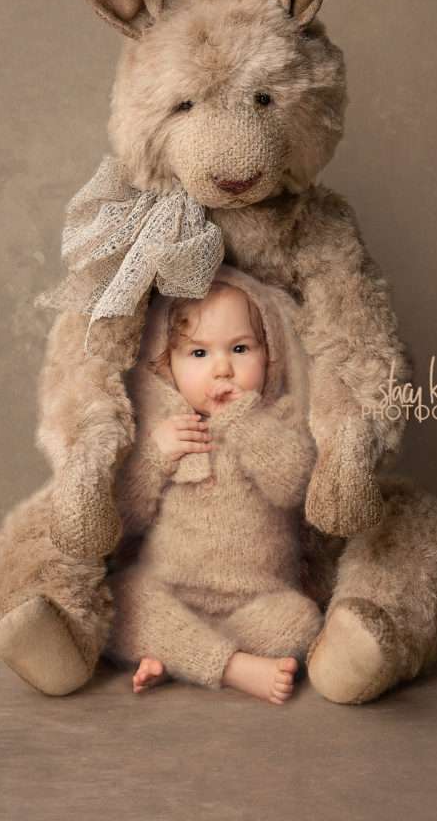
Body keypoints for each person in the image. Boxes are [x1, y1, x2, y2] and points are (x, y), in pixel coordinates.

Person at [102, 264, 323, 704]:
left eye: (240, 349)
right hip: (172, 590)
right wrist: (155, 456)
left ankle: (181, 656)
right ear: (168, 365)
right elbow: (124, 516)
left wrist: (245, 422)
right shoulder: (165, 428)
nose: (223, 369)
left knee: (302, 620)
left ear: (270, 355)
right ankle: (233, 667)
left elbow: (294, 487)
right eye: (199, 354)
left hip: (255, 600)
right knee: (118, 600)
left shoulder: (275, 419)